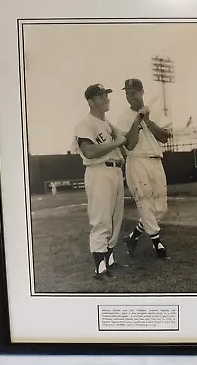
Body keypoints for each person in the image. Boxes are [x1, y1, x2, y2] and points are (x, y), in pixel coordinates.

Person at [74, 83, 127, 280]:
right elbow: (89, 151)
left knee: (115, 219)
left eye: (106, 95)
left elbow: (125, 142)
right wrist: (116, 142)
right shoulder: (85, 123)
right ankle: (99, 269)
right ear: (90, 101)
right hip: (98, 171)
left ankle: (110, 261)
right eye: (101, 96)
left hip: (115, 171)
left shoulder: (108, 124)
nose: (106, 98)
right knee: (101, 219)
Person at [116, 78, 172, 260]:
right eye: (127, 94)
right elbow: (130, 145)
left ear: (141, 92)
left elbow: (165, 137)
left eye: (133, 93)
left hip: (156, 160)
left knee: (161, 208)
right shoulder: (123, 117)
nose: (130, 97)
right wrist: (136, 121)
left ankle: (133, 238)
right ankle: (158, 244)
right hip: (137, 161)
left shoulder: (153, 112)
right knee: (145, 202)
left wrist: (147, 120)